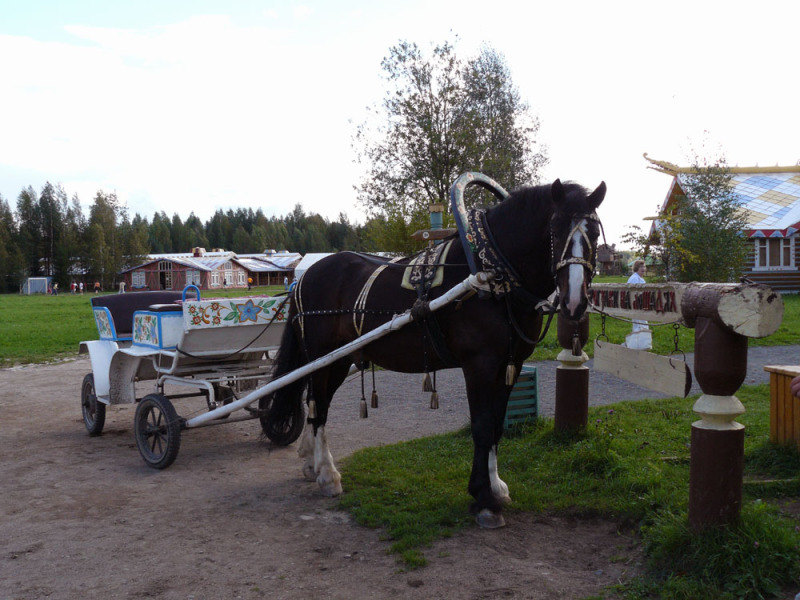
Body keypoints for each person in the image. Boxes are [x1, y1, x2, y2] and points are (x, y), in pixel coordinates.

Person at [627, 260, 648, 333]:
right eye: (641, 267)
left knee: (642, 324)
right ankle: (638, 341)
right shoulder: (634, 278)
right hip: (637, 305)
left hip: (642, 304)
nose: (643, 269)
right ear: (636, 268)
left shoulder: (640, 278)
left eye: (644, 267)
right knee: (639, 325)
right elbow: (632, 293)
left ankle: (642, 340)